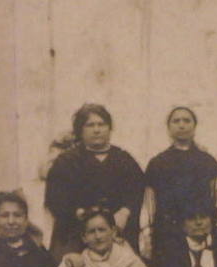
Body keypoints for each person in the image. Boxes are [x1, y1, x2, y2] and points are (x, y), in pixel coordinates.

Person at [43, 104, 146, 256]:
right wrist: (81, 215)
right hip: (76, 235)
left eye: (101, 124)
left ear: (109, 128)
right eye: (90, 125)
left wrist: (125, 212)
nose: (96, 130)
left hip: (117, 232)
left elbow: (137, 191)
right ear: (80, 130)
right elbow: (55, 199)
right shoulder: (66, 162)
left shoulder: (124, 159)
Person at [139, 106, 217, 261]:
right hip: (168, 237)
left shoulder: (207, 162)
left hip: (202, 235)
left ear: (194, 126)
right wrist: (147, 232)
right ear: (168, 128)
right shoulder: (158, 163)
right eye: (176, 121)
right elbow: (149, 203)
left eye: (187, 120)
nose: (182, 125)